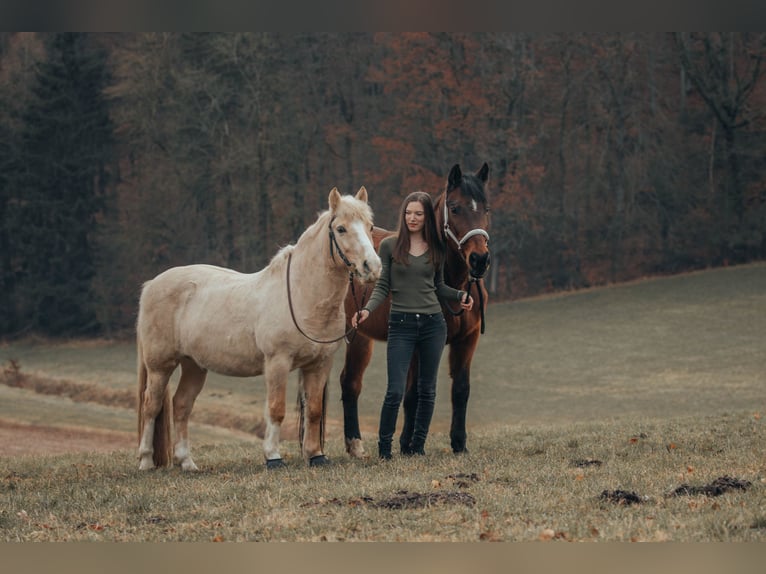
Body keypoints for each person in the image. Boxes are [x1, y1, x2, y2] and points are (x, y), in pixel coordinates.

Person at [352, 191, 473, 459]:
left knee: (427, 390)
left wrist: (461, 295)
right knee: (395, 390)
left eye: (418, 213)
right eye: (408, 213)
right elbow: (382, 286)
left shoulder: (437, 250)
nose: (413, 218)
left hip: (433, 326)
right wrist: (366, 310)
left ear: (427, 217)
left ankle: (417, 448)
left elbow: (439, 286)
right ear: (403, 215)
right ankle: (385, 451)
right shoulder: (389, 246)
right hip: (401, 325)